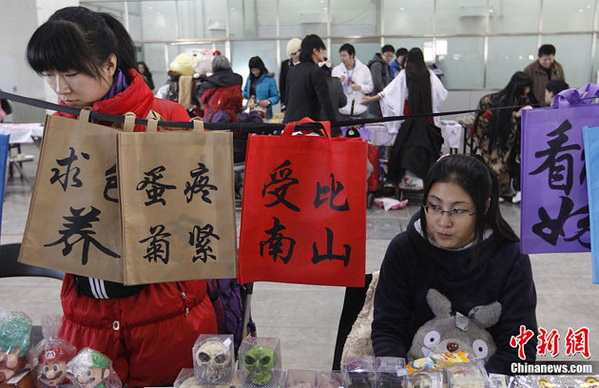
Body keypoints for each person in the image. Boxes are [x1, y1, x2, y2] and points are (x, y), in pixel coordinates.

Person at [26, 7, 217, 386]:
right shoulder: (62, 125)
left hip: (164, 315)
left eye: (70, 72)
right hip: (88, 316)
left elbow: (196, 221)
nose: (59, 88)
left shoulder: (167, 117)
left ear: (110, 63)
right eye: (49, 75)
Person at [372, 154, 537, 376]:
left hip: (486, 376)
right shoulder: (404, 249)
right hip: (415, 374)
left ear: (485, 206)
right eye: (434, 206)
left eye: (458, 210)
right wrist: (398, 378)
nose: (443, 221)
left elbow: (519, 347)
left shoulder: (510, 256)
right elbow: (388, 329)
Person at [362, 48, 448, 189]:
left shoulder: (404, 74)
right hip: (428, 121)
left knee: (401, 148)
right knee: (428, 148)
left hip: (409, 120)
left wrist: (370, 99)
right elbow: (441, 94)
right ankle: (428, 180)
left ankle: (398, 180)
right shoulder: (430, 75)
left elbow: (387, 93)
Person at [473, 71, 532, 199]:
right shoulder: (493, 100)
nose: (528, 90)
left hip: (507, 141)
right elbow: (486, 123)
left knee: (505, 166)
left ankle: (499, 191)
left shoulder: (521, 100)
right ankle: (491, 192)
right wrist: (516, 115)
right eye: (526, 87)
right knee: (495, 167)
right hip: (493, 139)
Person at [283, 34, 336, 123]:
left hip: (290, 125)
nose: (323, 53)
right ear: (315, 51)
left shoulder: (292, 71)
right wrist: (336, 127)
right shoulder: (316, 71)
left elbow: (287, 99)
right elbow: (325, 102)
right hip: (307, 127)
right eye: (322, 50)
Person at [331, 43, 374, 120]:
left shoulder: (364, 69)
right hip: (342, 112)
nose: (342, 58)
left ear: (352, 56)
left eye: (344, 55)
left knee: (361, 132)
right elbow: (332, 91)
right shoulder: (336, 70)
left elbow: (370, 87)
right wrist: (338, 83)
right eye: (340, 55)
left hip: (360, 111)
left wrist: (360, 87)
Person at [242, 56, 280, 120]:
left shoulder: (269, 79)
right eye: (253, 70)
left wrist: (269, 101)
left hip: (264, 114)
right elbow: (245, 91)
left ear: (261, 68)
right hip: (250, 112)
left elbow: (276, 97)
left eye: (257, 70)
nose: (255, 72)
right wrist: (243, 95)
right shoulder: (250, 78)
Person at [367, 44, 395, 117]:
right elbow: (377, 83)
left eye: (391, 56)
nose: (389, 58)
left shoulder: (386, 65)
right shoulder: (377, 65)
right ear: (382, 54)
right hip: (378, 100)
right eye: (387, 55)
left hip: (384, 99)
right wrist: (386, 94)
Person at [319, 58, 347, 127]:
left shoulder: (313, 83)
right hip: (334, 123)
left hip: (317, 124)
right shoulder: (337, 82)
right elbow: (343, 102)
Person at [279, 38, 301, 111]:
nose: (297, 54)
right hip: (289, 101)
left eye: (299, 51)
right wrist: (283, 103)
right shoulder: (285, 65)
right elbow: (282, 85)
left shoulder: (306, 65)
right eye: (294, 53)